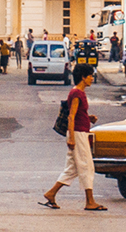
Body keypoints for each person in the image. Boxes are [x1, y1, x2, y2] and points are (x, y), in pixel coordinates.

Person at [40, 63, 106, 211]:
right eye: (90, 76)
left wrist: (88, 118)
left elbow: (77, 113)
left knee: (73, 168)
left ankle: (51, 193)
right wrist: (71, 138)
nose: (91, 78)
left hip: (78, 131)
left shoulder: (78, 92)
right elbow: (71, 116)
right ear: (83, 77)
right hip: (78, 133)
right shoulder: (77, 93)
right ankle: (90, 201)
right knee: (87, 166)